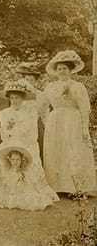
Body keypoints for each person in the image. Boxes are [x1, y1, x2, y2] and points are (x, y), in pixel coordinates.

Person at [43, 50, 97, 196]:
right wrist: (45, 120)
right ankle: (56, 186)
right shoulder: (51, 87)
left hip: (72, 120)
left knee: (73, 150)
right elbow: (43, 105)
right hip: (55, 120)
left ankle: (76, 187)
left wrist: (84, 128)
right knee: (57, 149)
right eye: (59, 69)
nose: (62, 72)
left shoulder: (78, 87)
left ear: (70, 70)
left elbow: (84, 108)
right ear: (56, 71)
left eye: (64, 69)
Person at [0, 81, 58, 203]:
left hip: (27, 143)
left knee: (28, 154)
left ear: (22, 98)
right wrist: (10, 134)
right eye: (12, 98)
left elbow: (33, 135)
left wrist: (21, 143)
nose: (14, 101)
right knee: (5, 150)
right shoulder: (4, 113)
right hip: (10, 142)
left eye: (17, 98)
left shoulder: (30, 113)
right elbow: (3, 133)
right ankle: (9, 187)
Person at [0, 146, 54, 210]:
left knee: (28, 197)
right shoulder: (9, 171)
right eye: (13, 159)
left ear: (21, 160)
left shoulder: (23, 171)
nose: (15, 162)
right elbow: (6, 181)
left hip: (22, 189)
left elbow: (27, 182)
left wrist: (22, 179)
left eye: (17, 159)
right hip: (11, 189)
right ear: (10, 160)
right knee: (5, 196)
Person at [15, 62, 47, 163]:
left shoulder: (40, 94)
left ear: (35, 81)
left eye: (31, 80)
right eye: (27, 79)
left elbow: (43, 112)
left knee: (38, 148)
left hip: (36, 124)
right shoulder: (20, 96)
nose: (29, 82)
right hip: (22, 124)